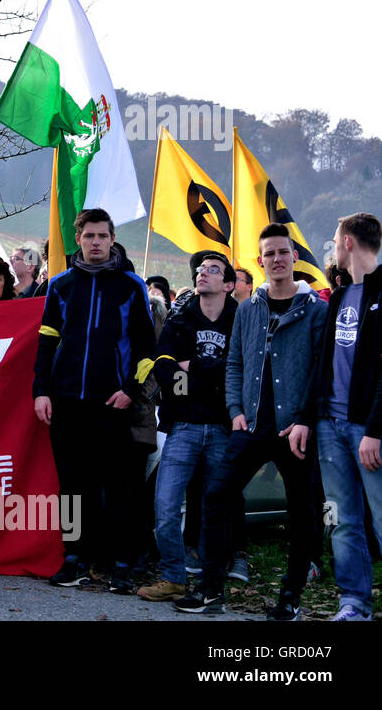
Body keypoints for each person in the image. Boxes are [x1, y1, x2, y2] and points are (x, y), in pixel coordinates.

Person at [177, 223, 327, 618]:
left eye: (283, 252)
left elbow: (319, 373)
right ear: (260, 262)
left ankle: (290, 597)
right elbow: (235, 366)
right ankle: (210, 589)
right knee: (216, 495)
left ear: (295, 257)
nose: (277, 259)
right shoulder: (248, 310)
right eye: (269, 254)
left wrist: (305, 422)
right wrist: (235, 411)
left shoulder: (316, 311)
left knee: (301, 512)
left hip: (294, 430)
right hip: (250, 425)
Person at [33, 208, 156, 593]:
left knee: (119, 485)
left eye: (103, 236)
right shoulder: (61, 285)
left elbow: (147, 348)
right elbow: (47, 340)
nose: (97, 242)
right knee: (71, 484)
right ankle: (74, 558)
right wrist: (41, 390)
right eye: (89, 236)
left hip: (113, 404)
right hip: (67, 402)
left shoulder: (132, 285)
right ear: (79, 240)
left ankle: (122, 562)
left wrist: (131, 391)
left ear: (112, 238)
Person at [136, 252, 238, 602]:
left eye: (213, 270)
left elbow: (235, 370)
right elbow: (164, 367)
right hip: (183, 426)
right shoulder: (180, 318)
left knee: (215, 510)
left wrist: (194, 369)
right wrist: (201, 377)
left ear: (228, 284)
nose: (202, 274)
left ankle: (211, 585)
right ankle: (173, 578)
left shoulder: (239, 319)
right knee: (165, 507)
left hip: (224, 428)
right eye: (200, 270)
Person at [312, 212, 382, 621]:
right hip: (329, 428)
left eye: (337, 240)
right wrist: (313, 418)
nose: (334, 248)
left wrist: (374, 429)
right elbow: (325, 364)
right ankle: (354, 603)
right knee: (340, 519)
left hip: (368, 431)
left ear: (350, 243)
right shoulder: (338, 296)